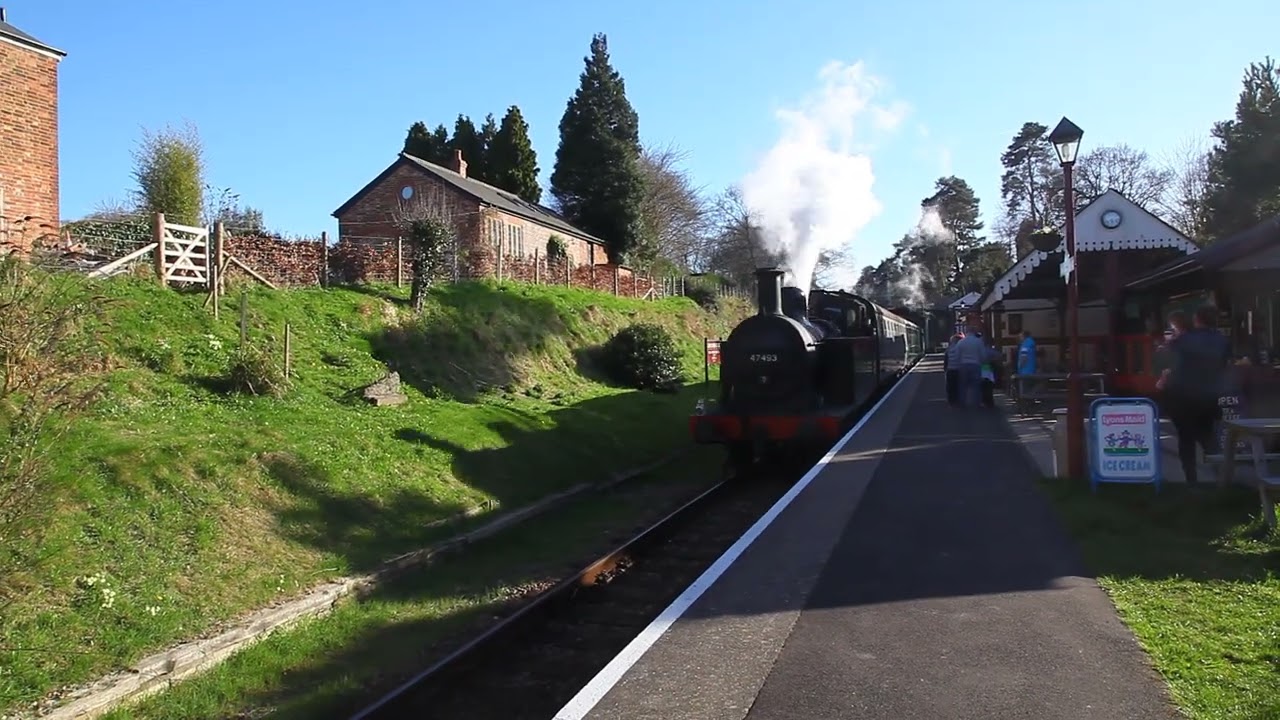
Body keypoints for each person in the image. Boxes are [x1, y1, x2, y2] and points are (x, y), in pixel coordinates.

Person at [1159, 305, 1231, 486]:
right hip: (1209, 396)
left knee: (1186, 440)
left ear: (1196, 319)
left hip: (1183, 398)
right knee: (1209, 438)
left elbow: (1168, 362)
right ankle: (1220, 479)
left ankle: (1192, 481)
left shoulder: (1182, 340)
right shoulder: (1222, 340)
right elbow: (1224, 365)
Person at [952, 326, 988, 408]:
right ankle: (976, 403)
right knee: (976, 386)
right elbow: (983, 355)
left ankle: (962, 403)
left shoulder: (961, 342)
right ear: (974, 332)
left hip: (963, 365)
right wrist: (982, 362)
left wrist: (959, 364)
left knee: (962, 385)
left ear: (966, 332)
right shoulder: (979, 342)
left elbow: (957, 355)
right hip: (976, 365)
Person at [944, 333, 963, 405]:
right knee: (958, 386)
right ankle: (958, 400)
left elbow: (946, 360)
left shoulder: (948, 349)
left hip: (950, 369)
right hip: (958, 369)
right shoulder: (960, 348)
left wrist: (945, 369)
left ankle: (951, 401)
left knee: (950, 386)